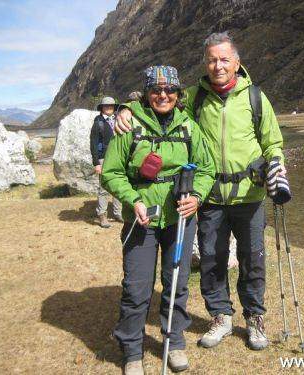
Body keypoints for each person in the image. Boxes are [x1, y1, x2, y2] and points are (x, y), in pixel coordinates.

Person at [115, 32, 287, 351]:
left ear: (236, 62)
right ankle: (221, 315)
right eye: (212, 59)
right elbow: (158, 98)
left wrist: (276, 163)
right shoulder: (194, 96)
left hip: (249, 195)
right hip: (209, 198)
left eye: (224, 59)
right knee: (212, 258)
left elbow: (273, 141)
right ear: (205, 63)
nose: (217, 65)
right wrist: (124, 108)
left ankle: (253, 318)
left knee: (252, 259)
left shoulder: (255, 97)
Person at [101, 65, 215, 374]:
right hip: (142, 221)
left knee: (176, 284)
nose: (162, 95)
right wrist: (134, 199)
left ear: (178, 94)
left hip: (179, 220)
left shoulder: (189, 127)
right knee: (137, 287)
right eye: (156, 90)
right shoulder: (129, 127)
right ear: (147, 93)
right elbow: (110, 173)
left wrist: (198, 196)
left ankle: (174, 341)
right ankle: (132, 350)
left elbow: (206, 169)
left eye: (169, 90)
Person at [90, 96, 122, 228]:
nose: (109, 107)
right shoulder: (98, 123)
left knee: (119, 186)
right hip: (104, 158)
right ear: (102, 108)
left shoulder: (119, 119)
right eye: (106, 106)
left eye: (111, 105)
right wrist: (96, 163)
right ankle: (102, 215)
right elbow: (93, 144)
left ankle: (118, 212)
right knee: (103, 188)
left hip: (119, 157)